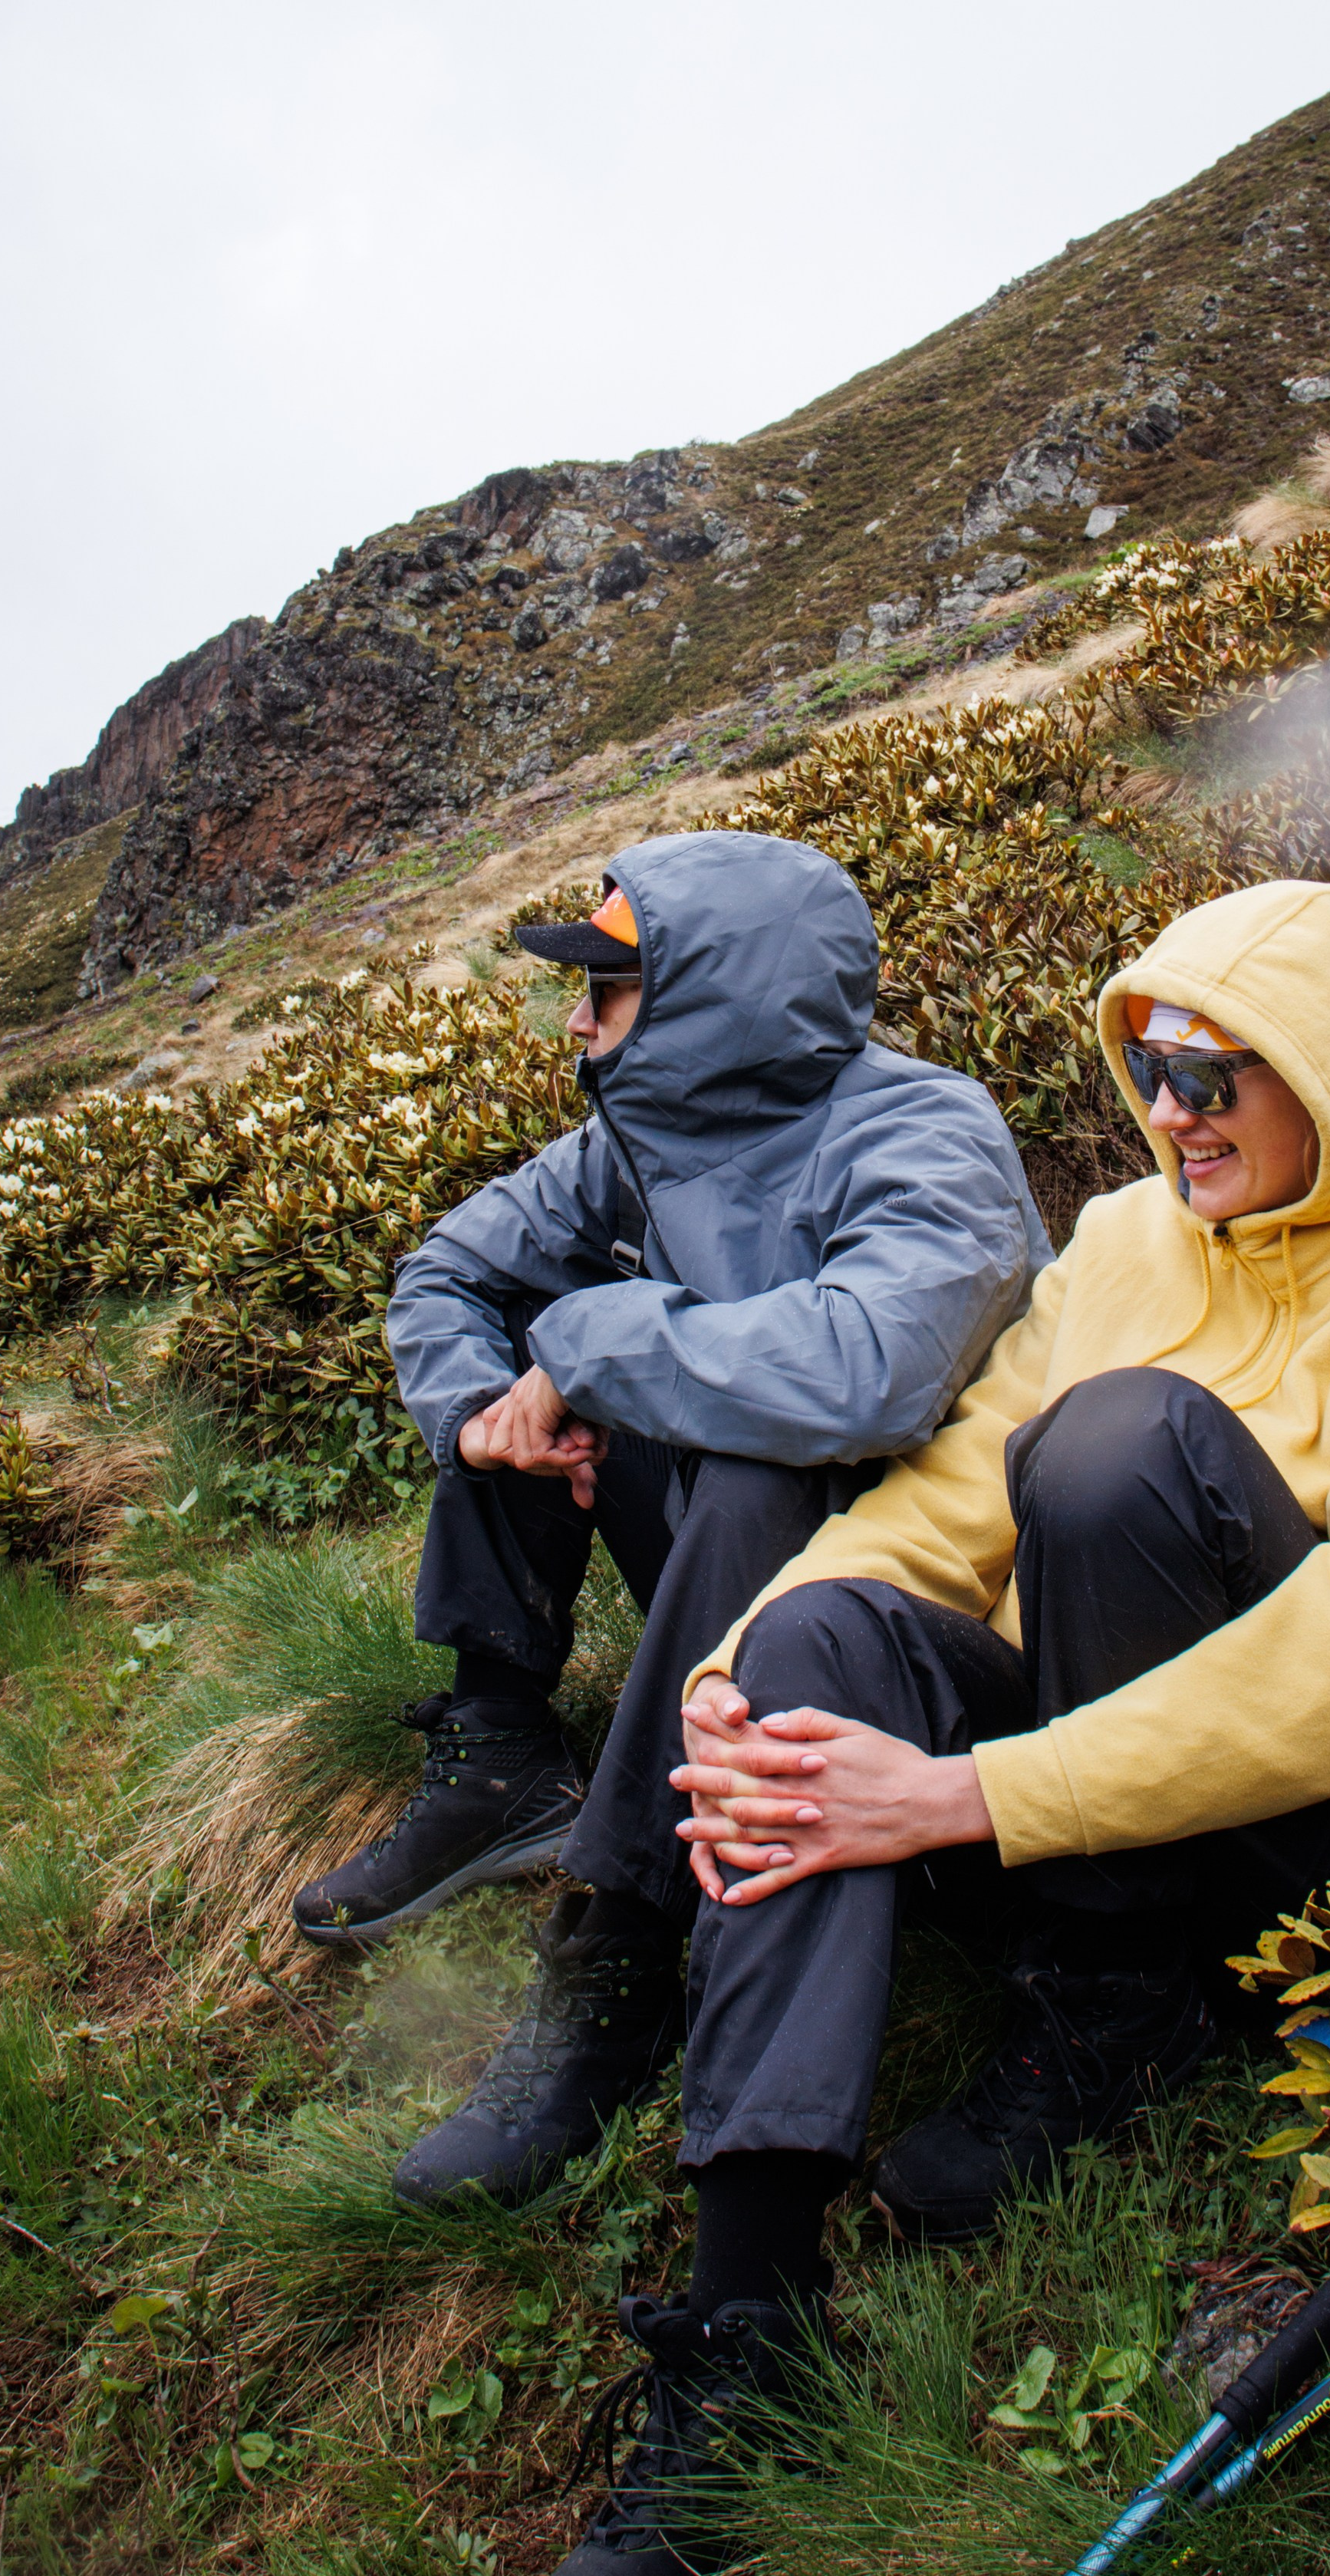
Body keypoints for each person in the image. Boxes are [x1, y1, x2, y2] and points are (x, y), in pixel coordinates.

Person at [503, 875, 1330, 2576]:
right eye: (1151, 1061)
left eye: (1223, 1071)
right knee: (820, 1642)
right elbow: (938, 1499)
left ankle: (1119, 2012)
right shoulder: (1124, 1240)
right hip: (1092, 1814)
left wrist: (966, 1798)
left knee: (1116, 1446)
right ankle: (749, 2328)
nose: (1170, 1110)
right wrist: (731, 1668)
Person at [291, 827, 1052, 2211]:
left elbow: (863, 1376)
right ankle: (502, 1754)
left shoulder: (926, 1131)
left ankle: (621, 1951)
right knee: (521, 1343)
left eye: (610, 987)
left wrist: (583, 1348)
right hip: (734, 1578)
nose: (576, 1022)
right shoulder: (632, 1143)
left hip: (906, 1626)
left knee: (711, 1421)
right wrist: (484, 1407)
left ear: (723, 988)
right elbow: (443, 1272)